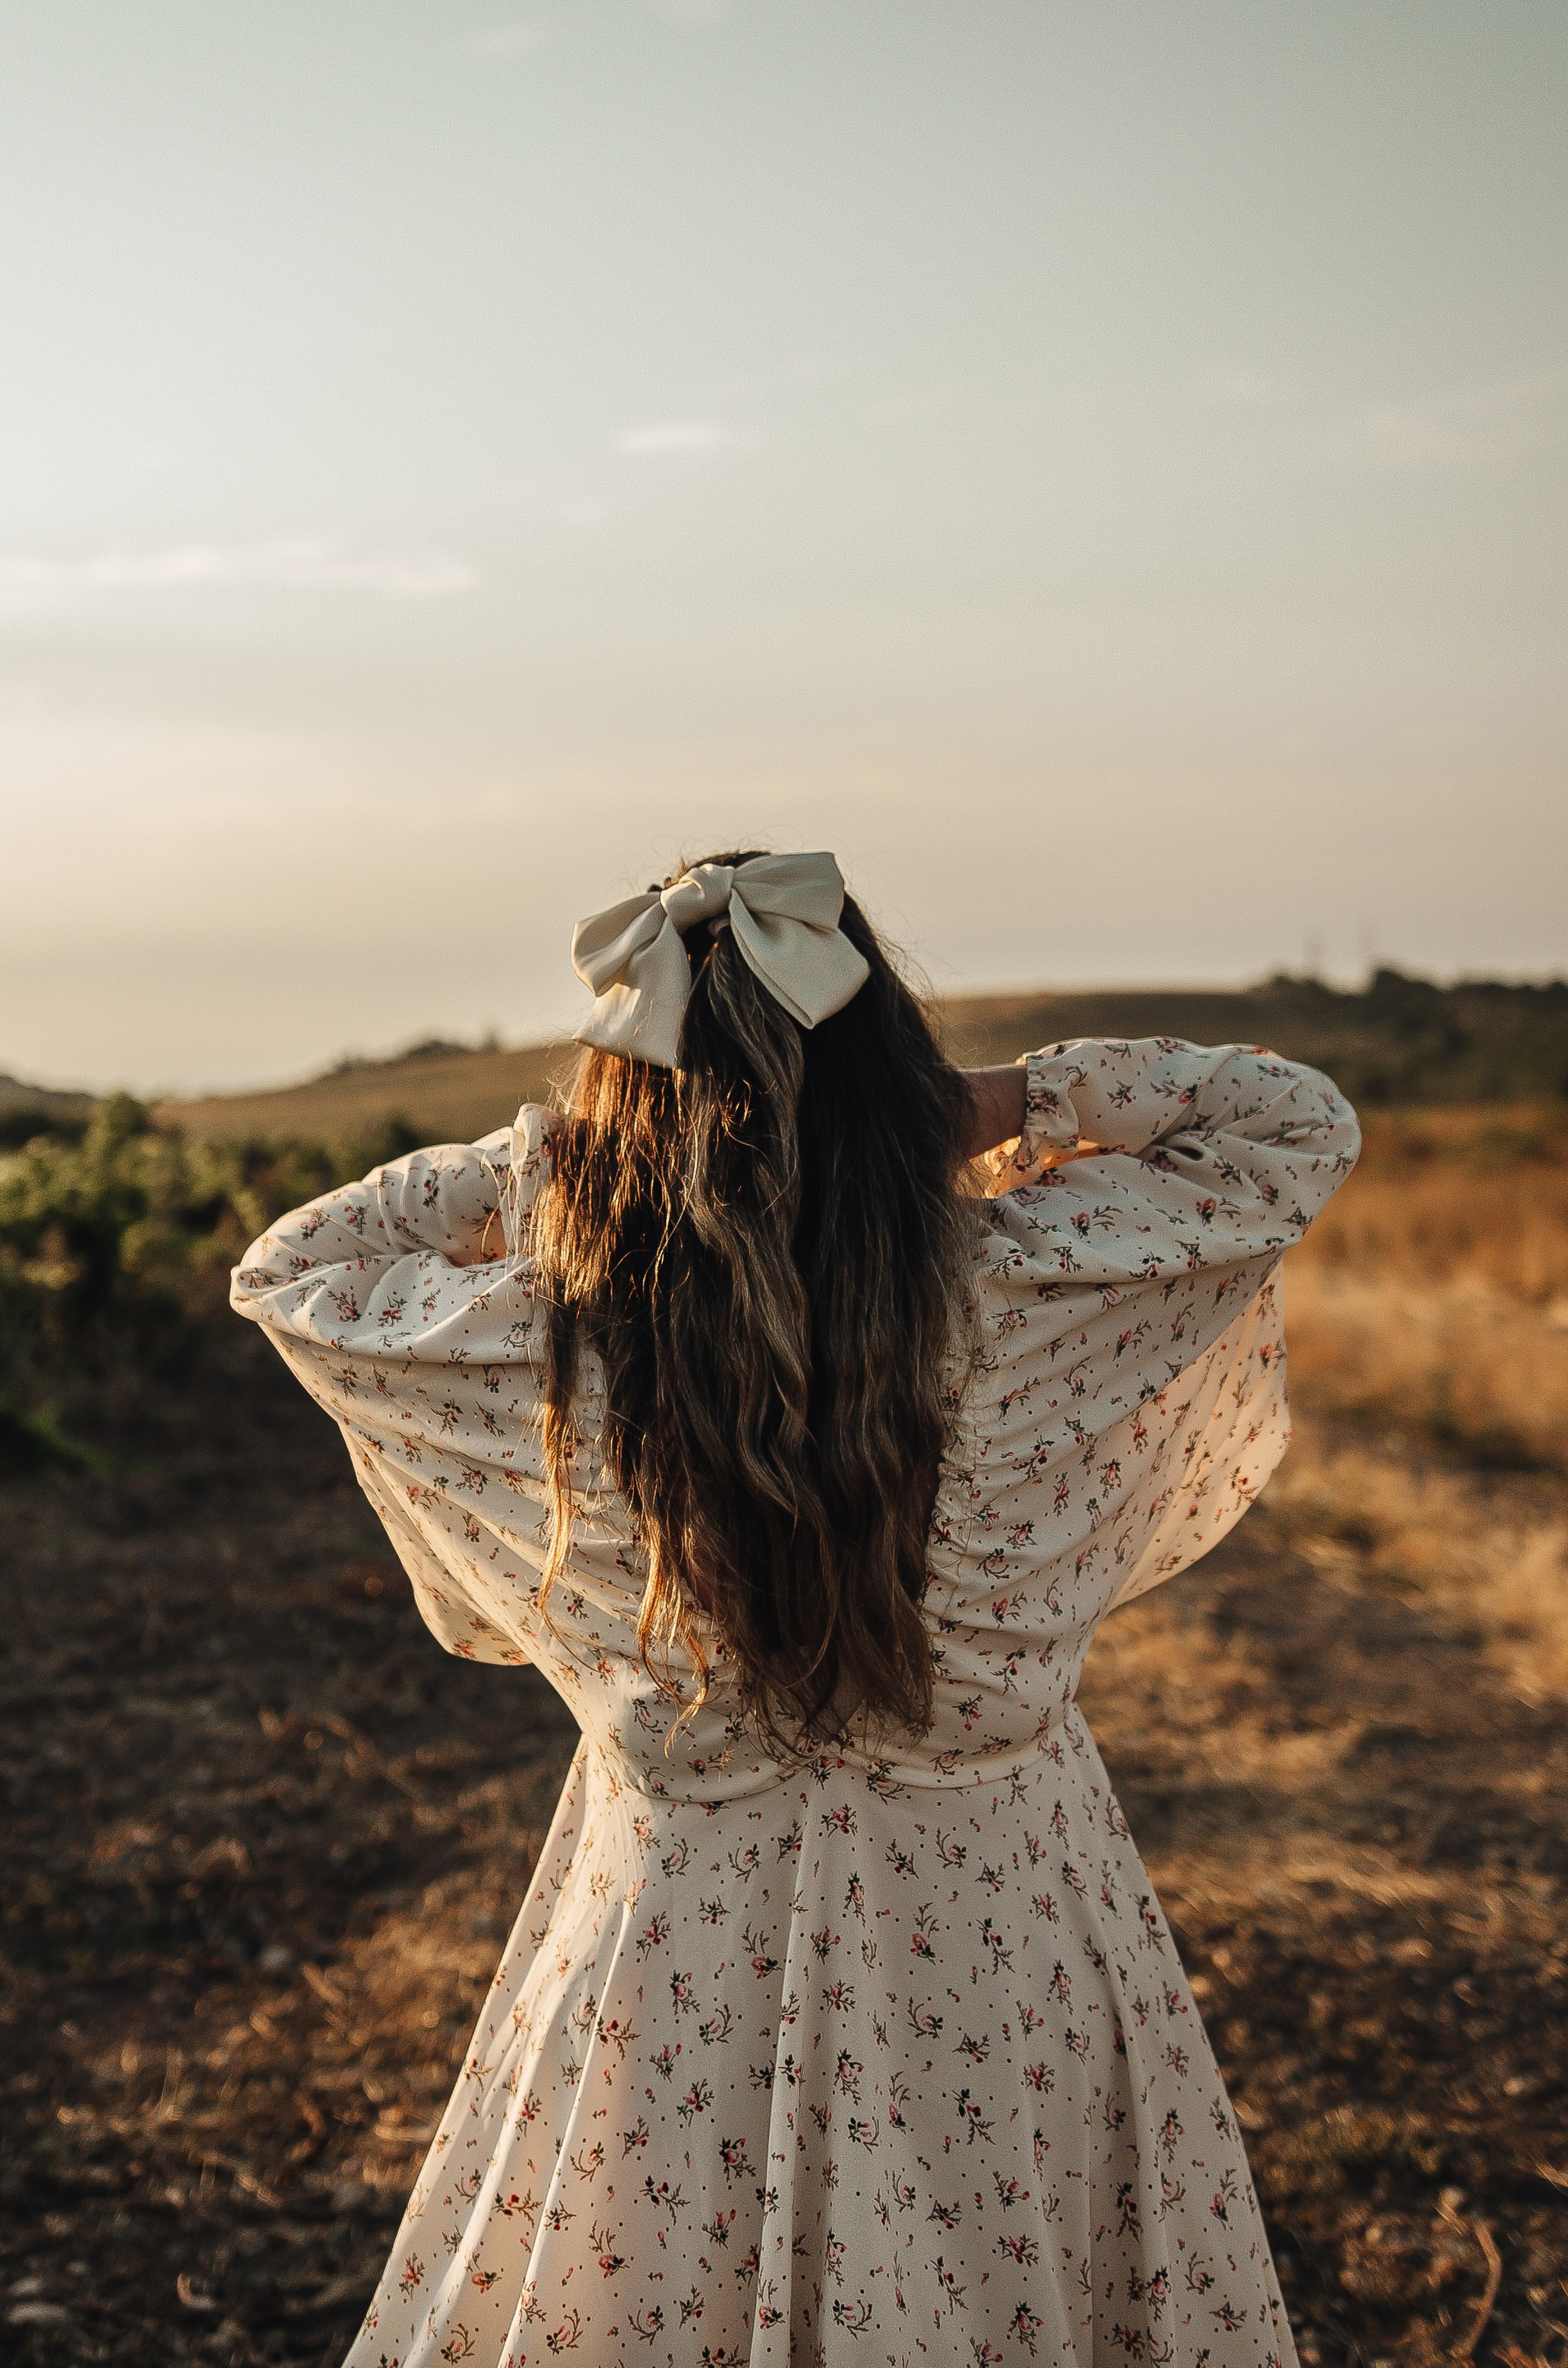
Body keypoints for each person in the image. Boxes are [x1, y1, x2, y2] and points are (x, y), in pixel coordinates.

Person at [231, 850, 1360, 2368]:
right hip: (1002, 1937)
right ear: (894, 1069)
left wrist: (547, 1166)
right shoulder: (1029, 1290)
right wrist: (1008, 1104)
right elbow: (1290, 1126)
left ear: (633, 1095)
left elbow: (295, 1267)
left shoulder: (563, 1349)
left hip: (674, 1966)